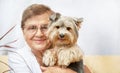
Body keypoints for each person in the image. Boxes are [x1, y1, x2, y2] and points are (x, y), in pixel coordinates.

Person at [8, 4, 91, 73]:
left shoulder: (67, 48)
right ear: (23, 31)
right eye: (32, 28)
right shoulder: (17, 57)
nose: (39, 34)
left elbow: (85, 69)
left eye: (45, 27)